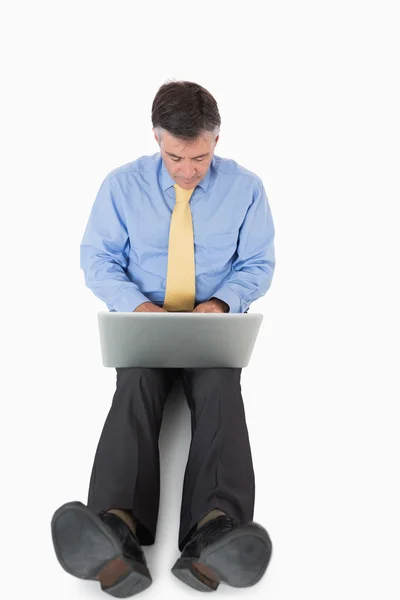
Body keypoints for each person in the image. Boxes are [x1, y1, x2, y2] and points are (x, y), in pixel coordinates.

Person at [51, 80, 276, 596]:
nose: (188, 170)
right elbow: (99, 259)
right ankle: (115, 530)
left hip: (211, 323)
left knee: (220, 392)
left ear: (216, 140)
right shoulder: (121, 186)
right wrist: (139, 307)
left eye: (200, 156)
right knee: (135, 390)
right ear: (157, 139)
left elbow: (258, 263)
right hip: (144, 320)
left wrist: (220, 304)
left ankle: (214, 532)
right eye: (176, 156)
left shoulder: (247, 189)